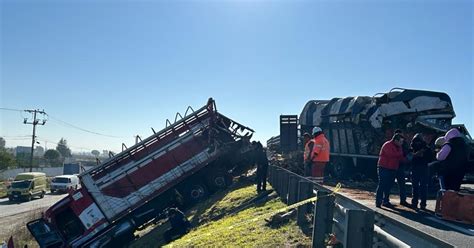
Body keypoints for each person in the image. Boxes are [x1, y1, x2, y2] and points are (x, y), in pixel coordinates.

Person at [376, 134, 407, 208]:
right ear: (396, 140)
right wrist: (401, 154)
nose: (402, 143)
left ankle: (385, 201)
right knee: (382, 184)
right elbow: (392, 154)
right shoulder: (387, 145)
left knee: (389, 185)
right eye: (401, 141)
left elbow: (400, 157)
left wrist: (406, 159)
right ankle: (378, 201)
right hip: (384, 167)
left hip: (393, 168)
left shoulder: (399, 147)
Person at [410, 133, 433, 210]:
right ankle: (423, 204)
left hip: (415, 168)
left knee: (415, 187)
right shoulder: (426, 147)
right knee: (423, 187)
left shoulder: (412, 146)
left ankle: (414, 203)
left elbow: (409, 158)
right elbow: (431, 158)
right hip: (424, 168)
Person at [394, 129, 409, 207]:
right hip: (394, 165)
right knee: (389, 183)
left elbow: (406, 152)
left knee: (402, 184)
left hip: (399, 165)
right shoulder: (393, 143)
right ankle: (385, 199)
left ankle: (403, 200)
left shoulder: (403, 143)